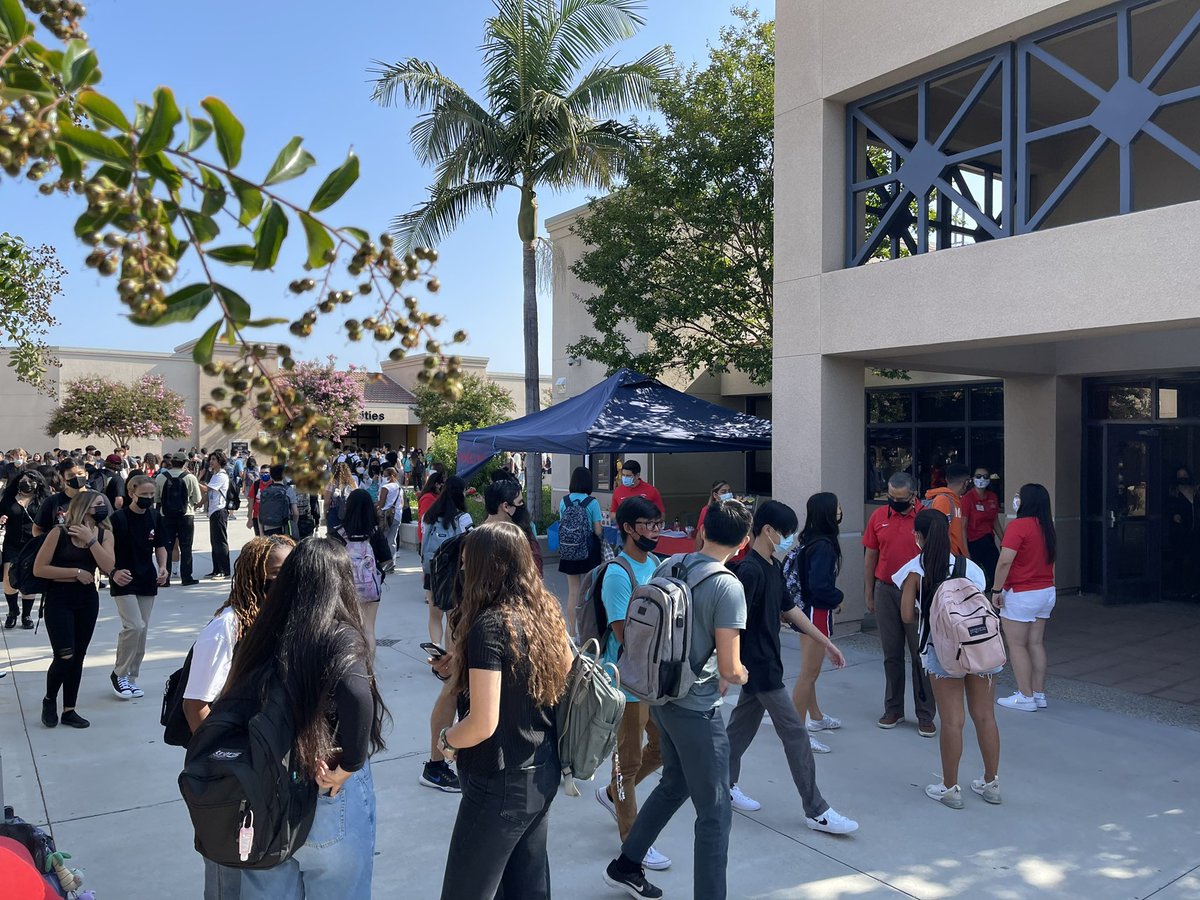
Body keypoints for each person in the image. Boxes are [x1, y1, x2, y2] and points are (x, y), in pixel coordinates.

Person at [603, 499, 752, 900]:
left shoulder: (670, 565)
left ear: (702, 532)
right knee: (715, 814)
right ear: (744, 542)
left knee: (675, 783)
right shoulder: (727, 586)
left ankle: (626, 863)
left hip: (660, 696)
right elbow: (730, 668)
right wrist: (743, 674)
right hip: (697, 708)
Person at [227, 539, 388, 900]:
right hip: (325, 791)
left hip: (267, 794)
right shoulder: (338, 635)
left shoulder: (263, 632)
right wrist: (350, 764)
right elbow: (357, 695)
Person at [432, 522, 573, 900]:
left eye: (468, 563)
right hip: (541, 770)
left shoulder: (490, 625)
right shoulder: (545, 613)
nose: (463, 571)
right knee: (527, 890)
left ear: (488, 566)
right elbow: (556, 677)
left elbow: (482, 723)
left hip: (498, 781)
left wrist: (447, 740)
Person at [724, 500, 858, 834]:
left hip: (766, 663)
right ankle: (817, 810)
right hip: (759, 667)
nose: (788, 539)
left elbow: (791, 609)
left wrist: (826, 642)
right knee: (796, 735)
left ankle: (721, 783)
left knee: (738, 733)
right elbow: (733, 624)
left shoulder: (772, 565)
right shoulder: (750, 570)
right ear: (768, 530)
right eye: (785, 532)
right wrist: (728, 667)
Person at [183, 534, 294, 900]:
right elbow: (195, 704)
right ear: (253, 576)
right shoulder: (226, 627)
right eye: (276, 574)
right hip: (232, 774)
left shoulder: (281, 620)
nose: (286, 581)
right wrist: (225, 766)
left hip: (264, 769)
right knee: (227, 871)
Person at [897, 509, 1002, 808]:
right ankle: (991, 783)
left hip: (943, 651)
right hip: (979, 647)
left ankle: (950, 788)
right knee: (985, 716)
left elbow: (906, 615)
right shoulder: (971, 567)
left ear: (918, 536)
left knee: (952, 721)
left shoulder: (916, 569)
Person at [594, 497, 670, 871]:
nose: (655, 531)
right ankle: (633, 841)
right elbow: (624, 635)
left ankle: (614, 794)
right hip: (625, 682)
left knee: (661, 749)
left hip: (650, 679)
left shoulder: (654, 564)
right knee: (627, 763)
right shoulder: (617, 574)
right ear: (628, 528)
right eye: (648, 525)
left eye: (658, 524)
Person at [32, 490, 116, 729]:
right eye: (97, 505)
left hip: (87, 599)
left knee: (78, 656)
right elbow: (40, 569)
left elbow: (108, 566)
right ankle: (50, 700)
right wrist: (76, 572)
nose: (102, 509)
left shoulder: (104, 534)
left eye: (103, 505)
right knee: (64, 655)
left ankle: (69, 709)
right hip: (59, 598)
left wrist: (91, 541)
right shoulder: (59, 533)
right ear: (84, 507)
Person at [863, 472, 936, 736]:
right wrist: (869, 592)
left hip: (916, 592)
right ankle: (893, 708)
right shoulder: (878, 517)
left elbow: (936, 555)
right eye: (891, 496)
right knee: (891, 654)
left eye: (900, 498)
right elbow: (871, 554)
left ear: (914, 495)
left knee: (920, 655)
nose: (894, 502)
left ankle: (925, 714)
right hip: (885, 589)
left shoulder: (926, 519)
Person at [420, 476, 474, 795]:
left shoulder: (432, 514)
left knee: (435, 618)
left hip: (438, 577)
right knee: (453, 688)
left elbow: (425, 545)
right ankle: (438, 762)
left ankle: (442, 650)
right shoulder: (465, 520)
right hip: (460, 591)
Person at [786, 492, 845, 753]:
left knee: (808, 671)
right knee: (809, 674)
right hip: (815, 611)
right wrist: (838, 598)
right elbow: (820, 585)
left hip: (806, 610)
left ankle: (816, 717)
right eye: (837, 507)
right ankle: (798, 733)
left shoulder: (810, 539)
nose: (840, 510)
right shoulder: (823, 545)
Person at [993, 483, 1057, 712]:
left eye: (1019, 495)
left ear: (1025, 501)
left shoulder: (1018, 526)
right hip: (1046, 591)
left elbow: (1005, 561)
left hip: (1021, 593)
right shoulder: (1047, 526)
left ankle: (1025, 696)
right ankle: (1038, 694)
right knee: (1036, 643)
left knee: (1017, 645)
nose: (1016, 499)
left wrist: (996, 590)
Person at [107, 474, 169, 700]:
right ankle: (119, 674)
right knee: (133, 626)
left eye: (152, 494)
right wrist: (112, 571)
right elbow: (106, 549)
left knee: (142, 631)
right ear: (131, 493)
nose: (148, 498)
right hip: (123, 579)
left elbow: (160, 545)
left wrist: (163, 567)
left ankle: (131, 677)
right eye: (144, 494)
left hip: (146, 578)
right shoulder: (118, 519)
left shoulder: (155, 516)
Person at [338, 488, 391, 656]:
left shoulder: (338, 533)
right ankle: (368, 667)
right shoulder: (374, 532)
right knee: (369, 628)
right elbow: (386, 560)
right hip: (370, 589)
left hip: (345, 588)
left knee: (348, 628)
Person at [3, 465, 46, 629]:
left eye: (30, 480)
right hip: (12, 543)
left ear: (38, 483)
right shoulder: (9, 499)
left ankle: (26, 615)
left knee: (29, 578)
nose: (26, 482)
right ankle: (12, 611)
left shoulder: (42, 500)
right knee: (8, 577)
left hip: (33, 544)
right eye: (23, 480)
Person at [559, 466, 604, 610]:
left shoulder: (564, 501)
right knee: (590, 590)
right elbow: (598, 530)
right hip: (589, 550)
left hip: (569, 550)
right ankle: (586, 623)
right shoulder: (592, 502)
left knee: (573, 591)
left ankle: (572, 625)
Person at [156, 453, 202, 586]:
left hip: (166, 516)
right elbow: (197, 499)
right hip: (186, 515)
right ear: (184, 463)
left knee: (167, 547)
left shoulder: (161, 477)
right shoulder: (190, 477)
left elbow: (156, 498)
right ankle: (187, 578)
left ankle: (165, 578)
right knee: (186, 547)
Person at [485, 477, 543, 574]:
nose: (522, 506)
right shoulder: (517, 535)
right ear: (506, 506)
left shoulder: (474, 536)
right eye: (519, 502)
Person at [964, 466, 1005, 591]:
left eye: (985, 476)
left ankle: (995, 597)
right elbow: (962, 527)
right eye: (978, 476)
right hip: (973, 542)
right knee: (973, 578)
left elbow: (995, 521)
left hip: (988, 540)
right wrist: (965, 551)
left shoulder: (992, 497)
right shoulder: (967, 499)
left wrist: (1004, 541)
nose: (982, 479)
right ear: (973, 478)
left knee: (996, 573)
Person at [924, 462, 971, 560]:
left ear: (946, 479)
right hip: (946, 559)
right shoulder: (943, 500)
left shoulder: (956, 500)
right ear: (966, 482)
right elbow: (940, 533)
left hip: (954, 557)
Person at [32, 457, 90, 536]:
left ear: (86, 475)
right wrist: (48, 542)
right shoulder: (52, 501)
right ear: (63, 478)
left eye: (80, 474)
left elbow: (105, 528)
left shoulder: (98, 499)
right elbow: (37, 529)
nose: (76, 477)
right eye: (71, 475)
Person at [1166, 466, 1198, 600]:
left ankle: (1194, 589)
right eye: (1180, 476)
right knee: (1178, 559)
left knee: (1195, 560)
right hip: (1180, 531)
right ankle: (1177, 589)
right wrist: (1174, 515)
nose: (1183, 478)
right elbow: (1168, 507)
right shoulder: (1174, 492)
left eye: (1185, 475)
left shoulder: (1195, 491)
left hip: (1195, 530)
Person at [198, 451, 232, 579]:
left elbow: (206, 489)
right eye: (210, 459)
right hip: (213, 511)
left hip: (219, 511)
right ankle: (216, 569)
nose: (211, 462)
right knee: (214, 542)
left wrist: (195, 479)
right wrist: (198, 505)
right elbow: (208, 494)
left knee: (220, 541)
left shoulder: (221, 476)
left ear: (220, 461)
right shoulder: (215, 475)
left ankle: (224, 570)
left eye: (213, 459)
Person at [256, 464, 299, 538]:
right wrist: (293, 525)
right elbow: (295, 513)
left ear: (271, 476)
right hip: (283, 528)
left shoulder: (265, 491)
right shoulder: (288, 490)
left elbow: (260, 513)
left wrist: (261, 533)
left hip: (267, 528)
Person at [694, 479, 733, 550]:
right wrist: (697, 553)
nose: (728, 494)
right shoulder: (707, 510)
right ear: (715, 495)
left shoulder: (736, 509)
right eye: (723, 492)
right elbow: (700, 534)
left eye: (729, 491)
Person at [324, 461, 357, 537]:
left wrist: (324, 514)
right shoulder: (352, 482)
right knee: (347, 537)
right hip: (350, 512)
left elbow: (327, 502)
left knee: (334, 538)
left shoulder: (331, 483)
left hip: (334, 512)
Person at [417, 471, 445, 545]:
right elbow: (426, 519)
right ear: (436, 484)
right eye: (442, 484)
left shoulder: (435, 496)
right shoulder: (428, 498)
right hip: (428, 536)